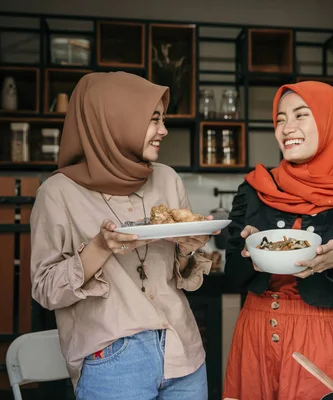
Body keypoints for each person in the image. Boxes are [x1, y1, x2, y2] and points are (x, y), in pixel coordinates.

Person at [30, 71, 213, 400]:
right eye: (153, 119)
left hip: (182, 351)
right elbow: (45, 290)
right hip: (113, 359)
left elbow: (185, 276)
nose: (164, 130)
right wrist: (100, 248)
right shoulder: (58, 193)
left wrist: (186, 251)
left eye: (163, 119)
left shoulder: (168, 180)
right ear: (116, 120)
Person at [222, 81, 333, 400]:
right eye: (280, 118)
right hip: (253, 334)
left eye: (301, 115)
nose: (287, 128)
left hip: (322, 343)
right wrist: (246, 253)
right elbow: (232, 277)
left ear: (332, 123)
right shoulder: (255, 188)